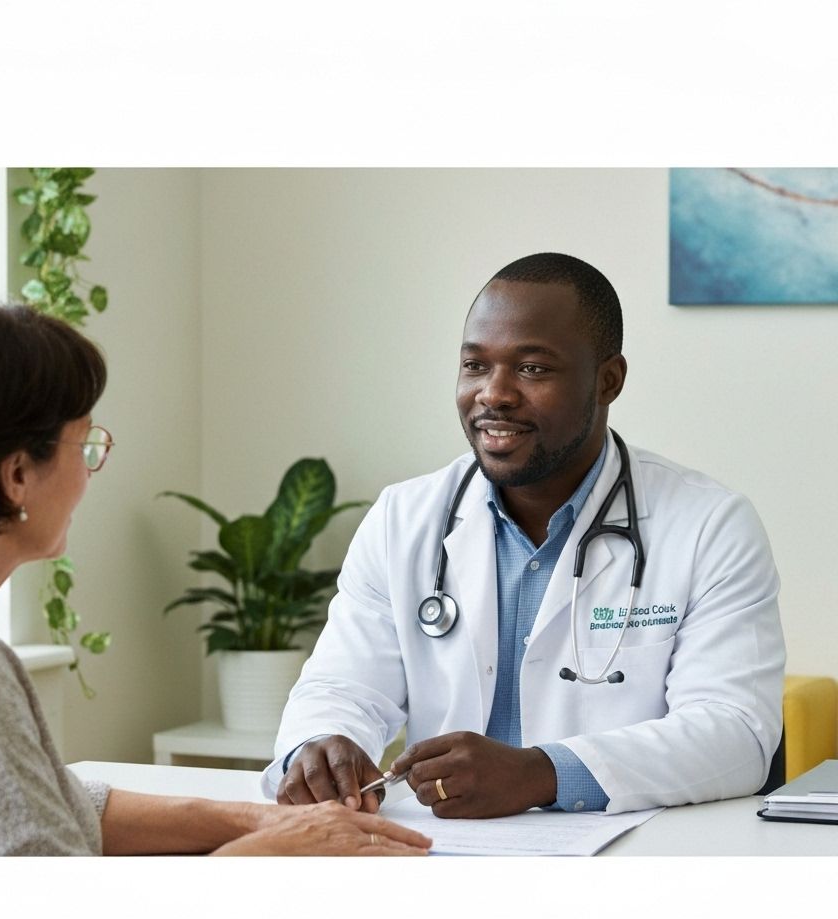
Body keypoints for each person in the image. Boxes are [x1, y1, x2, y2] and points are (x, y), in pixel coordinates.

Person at [0, 291, 430, 857]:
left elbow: (48, 803)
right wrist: (274, 855)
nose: (90, 473)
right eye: (84, 446)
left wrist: (259, 821)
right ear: (16, 477)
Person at [263, 252, 785, 818]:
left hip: (625, 858)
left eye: (533, 368)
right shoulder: (403, 518)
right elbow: (343, 687)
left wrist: (542, 773)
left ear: (608, 380)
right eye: (475, 366)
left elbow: (736, 735)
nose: (495, 394)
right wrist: (321, 744)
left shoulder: (709, 525)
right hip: (444, 849)